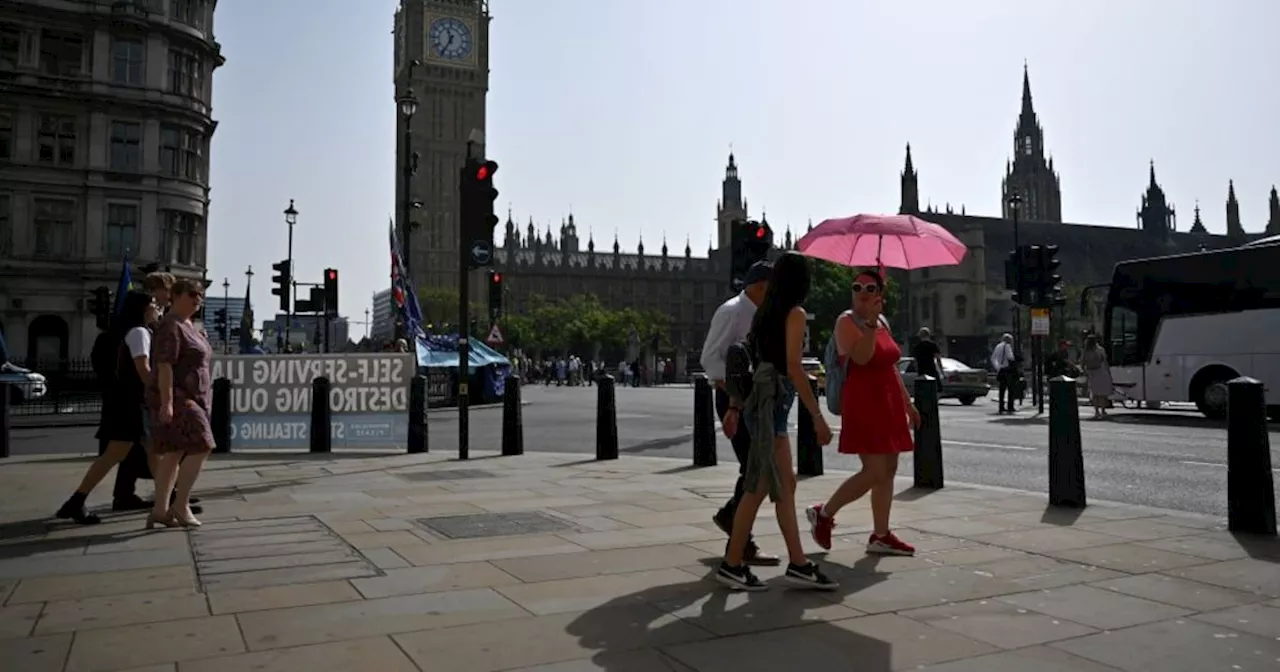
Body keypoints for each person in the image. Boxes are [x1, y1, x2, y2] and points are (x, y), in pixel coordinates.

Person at [718, 252, 836, 591]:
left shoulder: (765, 313)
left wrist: (737, 407)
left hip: (764, 404)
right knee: (757, 489)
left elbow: (764, 360)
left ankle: (798, 563)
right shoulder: (794, 313)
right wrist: (818, 417)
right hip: (773, 408)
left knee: (784, 488)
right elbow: (794, 367)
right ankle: (732, 564)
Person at [806, 269, 920, 556]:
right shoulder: (846, 321)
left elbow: (891, 365)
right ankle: (824, 513)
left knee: (889, 470)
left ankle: (881, 534)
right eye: (857, 287)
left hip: (888, 401)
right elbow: (861, 357)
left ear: (880, 295)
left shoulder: (883, 321)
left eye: (870, 288)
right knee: (874, 470)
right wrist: (869, 324)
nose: (862, 293)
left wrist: (908, 403)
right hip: (864, 402)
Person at [56, 292, 161, 524]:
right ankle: (76, 501)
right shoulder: (140, 332)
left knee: (144, 452)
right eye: (153, 305)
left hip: (128, 402)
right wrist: (159, 392)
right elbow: (142, 368)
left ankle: (169, 501)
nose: (157, 309)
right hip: (133, 404)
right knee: (125, 452)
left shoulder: (135, 331)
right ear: (143, 309)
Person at [699, 261, 779, 566]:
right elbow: (710, 359)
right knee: (753, 468)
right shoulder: (732, 311)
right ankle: (739, 536)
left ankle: (733, 520)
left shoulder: (761, 313)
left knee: (754, 467)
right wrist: (736, 383)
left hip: (755, 400)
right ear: (760, 286)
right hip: (734, 399)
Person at [146, 279, 215, 529]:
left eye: (201, 296)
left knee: (175, 452)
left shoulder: (189, 326)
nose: (198, 299)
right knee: (202, 445)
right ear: (176, 296)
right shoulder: (171, 326)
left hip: (194, 396)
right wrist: (167, 403)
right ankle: (181, 503)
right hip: (179, 397)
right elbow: (165, 365)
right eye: (193, 294)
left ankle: (160, 509)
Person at [1081, 334, 1114, 419]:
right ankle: (1103, 411)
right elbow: (1105, 361)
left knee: (1095, 393)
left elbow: (1082, 363)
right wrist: (1109, 373)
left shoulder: (1085, 351)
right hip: (1101, 372)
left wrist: (1086, 372)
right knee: (1103, 393)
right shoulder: (1100, 349)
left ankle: (1096, 411)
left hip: (1092, 373)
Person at [991, 333, 1017, 413]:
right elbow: (1010, 357)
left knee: (1002, 390)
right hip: (1007, 370)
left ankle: (1001, 407)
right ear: (1009, 340)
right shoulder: (1007, 346)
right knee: (1011, 389)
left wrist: (998, 367)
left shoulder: (998, 346)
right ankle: (1010, 406)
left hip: (1001, 370)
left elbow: (993, 358)